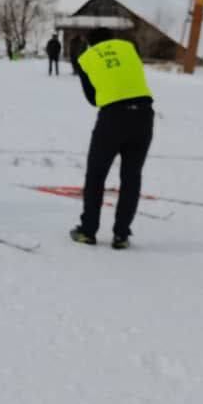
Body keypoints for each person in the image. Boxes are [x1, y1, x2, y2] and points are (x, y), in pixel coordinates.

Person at [69, 28, 154, 250]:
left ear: (89, 43)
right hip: (144, 115)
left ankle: (88, 231)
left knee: (96, 175)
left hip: (113, 118)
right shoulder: (128, 48)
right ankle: (121, 235)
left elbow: (93, 99)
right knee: (131, 176)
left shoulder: (86, 58)